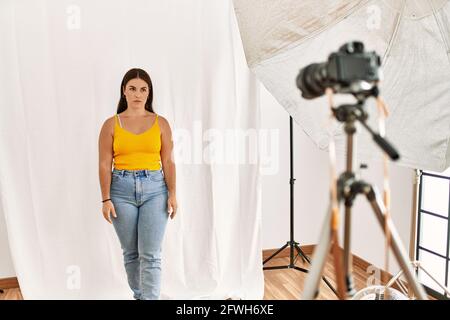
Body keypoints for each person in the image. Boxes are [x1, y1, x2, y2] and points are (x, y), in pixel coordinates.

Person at [98, 68, 177, 300]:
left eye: (143, 89)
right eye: (132, 88)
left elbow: (169, 162)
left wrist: (172, 194)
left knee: (151, 254)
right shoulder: (110, 125)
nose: (137, 94)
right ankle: (141, 296)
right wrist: (105, 199)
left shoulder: (160, 123)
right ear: (124, 91)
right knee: (131, 253)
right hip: (120, 191)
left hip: (155, 189)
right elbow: (104, 164)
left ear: (149, 93)